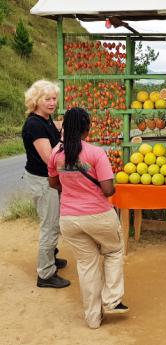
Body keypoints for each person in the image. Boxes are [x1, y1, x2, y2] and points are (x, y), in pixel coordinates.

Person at [48, 107, 128, 329]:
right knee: (113, 251)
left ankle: (93, 318)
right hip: (98, 215)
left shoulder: (56, 153)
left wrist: (70, 182)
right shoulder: (95, 153)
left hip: (69, 219)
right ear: (87, 128)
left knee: (86, 265)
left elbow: (53, 183)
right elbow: (108, 190)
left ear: (65, 128)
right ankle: (112, 300)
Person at [22, 79, 70, 289]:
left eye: (54, 98)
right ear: (36, 100)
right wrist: (64, 140)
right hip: (42, 180)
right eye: (46, 98)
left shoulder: (45, 119)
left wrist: (60, 129)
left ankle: (50, 255)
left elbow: (53, 134)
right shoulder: (34, 124)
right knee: (49, 226)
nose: (52, 102)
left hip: (47, 180)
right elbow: (50, 158)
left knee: (53, 221)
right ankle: (46, 273)